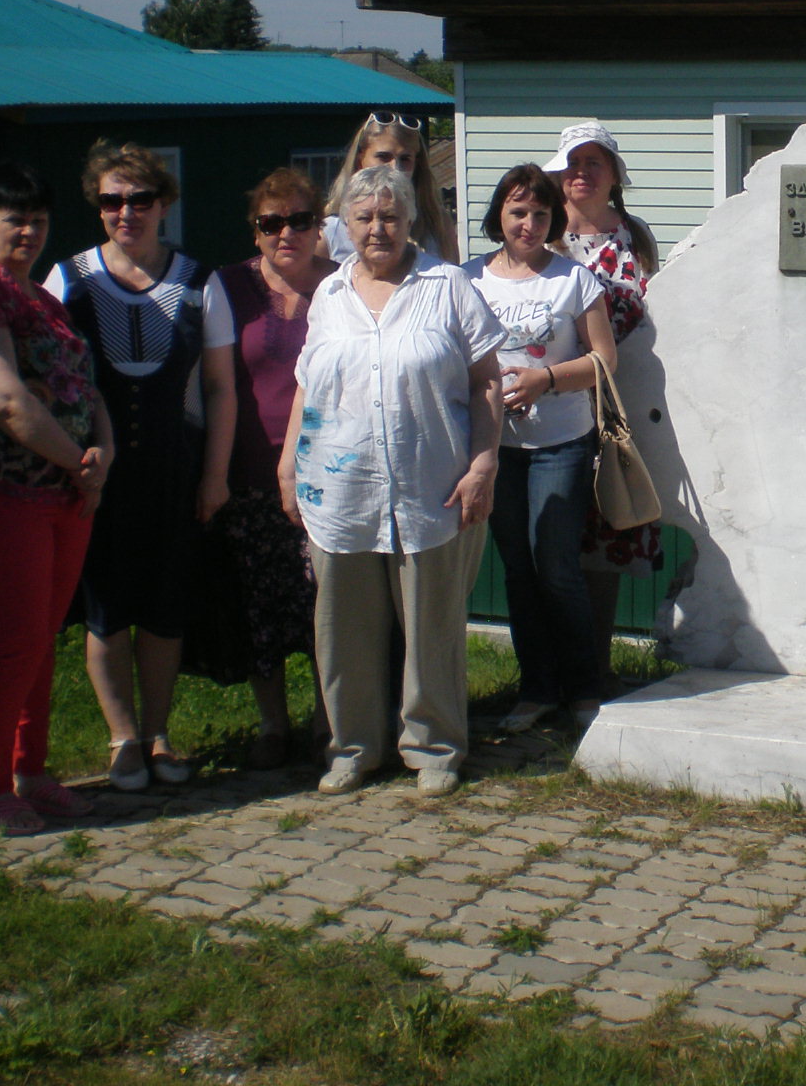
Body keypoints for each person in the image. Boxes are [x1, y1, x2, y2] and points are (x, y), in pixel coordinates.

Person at [279, 164, 505, 799]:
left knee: (431, 629)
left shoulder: (449, 285)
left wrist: (484, 462)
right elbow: (309, 384)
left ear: (409, 220)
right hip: (339, 490)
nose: (377, 228)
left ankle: (433, 746)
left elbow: (487, 379)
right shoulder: (329, 295)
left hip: (430, 485)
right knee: (342, 629)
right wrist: (290, 463)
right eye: (364, 217)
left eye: (390, 216)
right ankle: (352, 747)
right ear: (345, 226)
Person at [46, 141, 231, 792]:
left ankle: (158, 734)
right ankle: (121, 737)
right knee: (107, 609)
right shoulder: (68, 280)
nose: (127, 212)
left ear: (163, 205)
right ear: (99, 208)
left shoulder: (198, 281)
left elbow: (220, 389)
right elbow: (47, 378)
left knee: (163, 608)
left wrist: (215, 476)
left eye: (140, 200)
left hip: (173, 472)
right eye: (112, 201)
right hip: (96, 478)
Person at [0, 161, 113, 832]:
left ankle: (29, 770)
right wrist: (78, 463)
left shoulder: (41, 298)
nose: (29, 231)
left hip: (65, 495)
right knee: (14, 640)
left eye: (38, 220)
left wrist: (102, 453)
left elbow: (84, 389)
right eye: (14, 219)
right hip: (3, 493)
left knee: (41, 640)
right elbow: (3, 398)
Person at [463, 163, 617, 732]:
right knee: (518, 571)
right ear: (499, 214)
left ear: (553, 220)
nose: (528, 224)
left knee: (555, 566)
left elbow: (605, 360)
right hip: (492, 446)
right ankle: (536, 689)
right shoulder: (467, 279)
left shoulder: (573, 280)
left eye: (540, 214)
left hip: (560, 442)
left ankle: (583, 685)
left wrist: (543, 381)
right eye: (518, 211)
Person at [201, 168, 335, 768]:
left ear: (318, 227)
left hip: (332, 472)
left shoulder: (345, 286)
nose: (287, 233)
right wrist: (216, 474)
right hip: (252, 469)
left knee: (327, 606)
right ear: (255, 231)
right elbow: (216, 385)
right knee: (261, 604)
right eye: (272, 223)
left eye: (300, 220)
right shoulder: (227, 287)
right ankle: (273, 725)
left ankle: (331, 721)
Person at [545, 121, 660, 686]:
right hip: (549, 410)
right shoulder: (541, 237)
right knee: (552, 541)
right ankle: (550, 675)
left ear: (614, 174)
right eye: (573, 163)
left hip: (616, 411)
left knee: (604, 537)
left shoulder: (635, 238)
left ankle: (596, 668)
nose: (582, 173)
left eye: (595, 162)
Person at [322, 112, 459, 267]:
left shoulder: (437, 223)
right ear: (360, 160)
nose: (395, 167)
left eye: (405, 159)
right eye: (383, 157)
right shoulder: (330, 231)